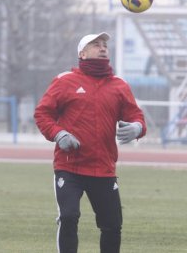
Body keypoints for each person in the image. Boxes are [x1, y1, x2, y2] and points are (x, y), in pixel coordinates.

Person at [34, 32, 146, 253]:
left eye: (104, 44)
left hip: (103, 168)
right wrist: (59, 134)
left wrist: (137, 128)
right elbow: (42, 114)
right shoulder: (64, 81)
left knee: (112, 225)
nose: (102, 47)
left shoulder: (119, 85)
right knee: (68, 217)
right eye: (96, 44)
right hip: (70, 167)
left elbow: (137, 117)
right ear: (82, 53)